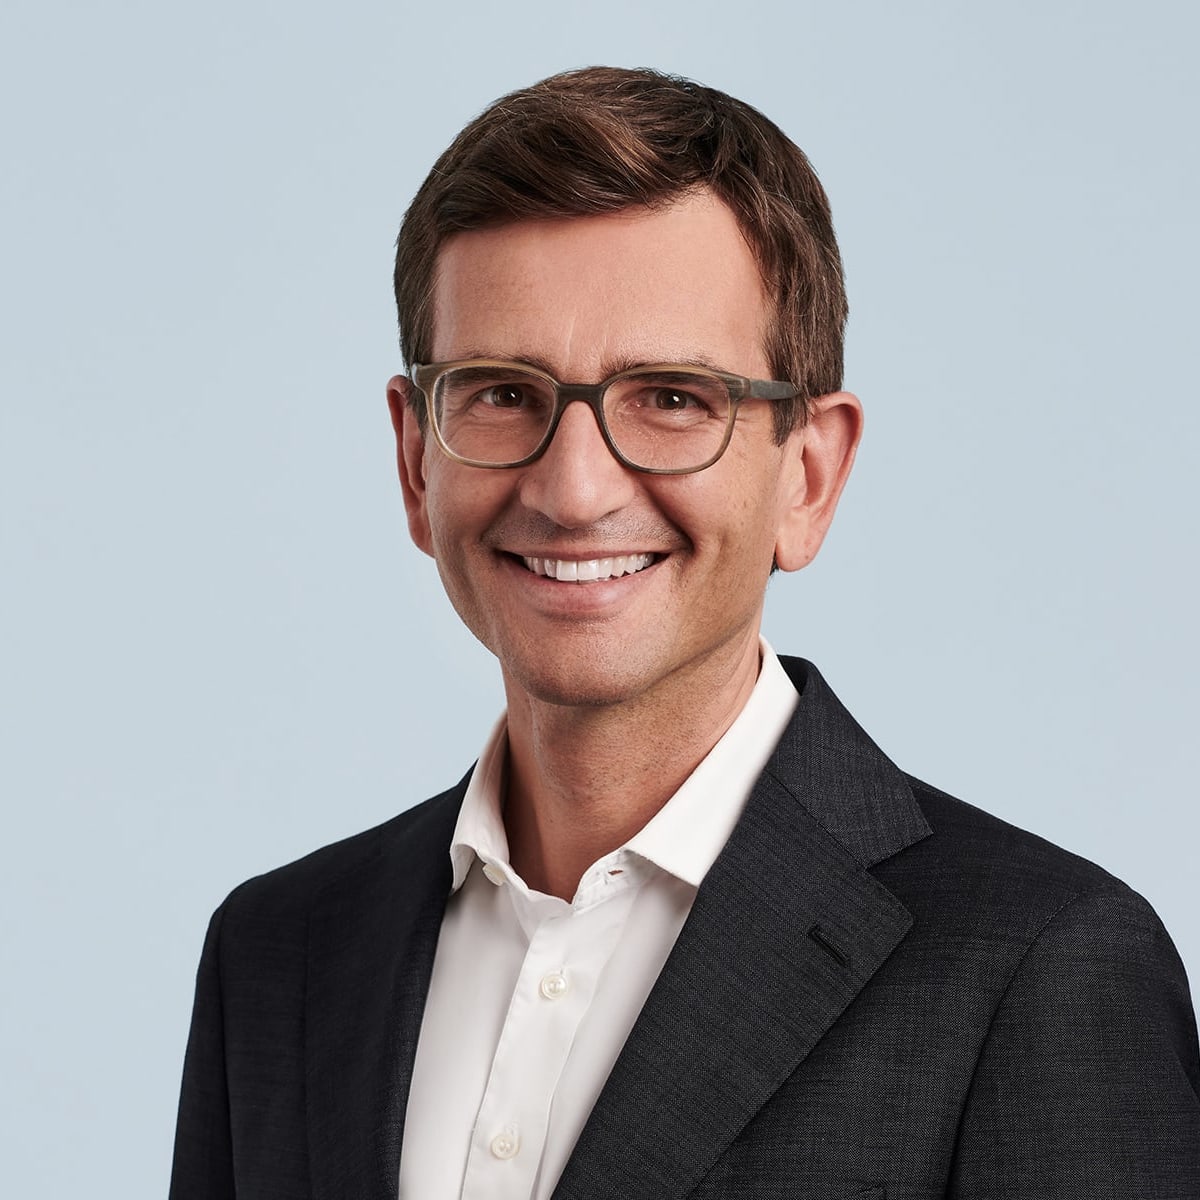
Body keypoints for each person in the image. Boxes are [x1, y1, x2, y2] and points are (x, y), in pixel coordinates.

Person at [169, 67, 1200, 1198]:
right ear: (417, 461)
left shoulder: (1041, 966)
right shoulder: (277, 955)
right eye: (501, 392)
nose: (572, 491)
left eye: (671, 398)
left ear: (809, 476)